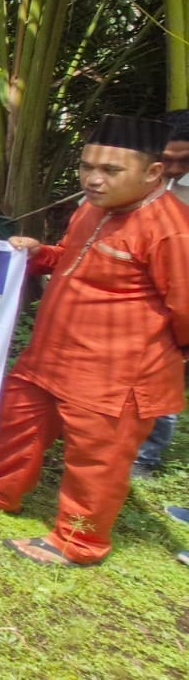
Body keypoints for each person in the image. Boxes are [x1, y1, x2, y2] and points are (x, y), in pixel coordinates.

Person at [0, 114, 189, 566]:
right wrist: (41, 254)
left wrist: (169, 354)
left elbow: (186, 308)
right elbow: (74, 259)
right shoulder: (93, 207)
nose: (93, 180)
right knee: (18, 422)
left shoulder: (172, 228)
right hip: (50, 354)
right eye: (86, 167)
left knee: (98, 459)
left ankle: (79, 543)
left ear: (153, 172)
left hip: (115, 372)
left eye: (110, 171)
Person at [133, 112, 189, 478]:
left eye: (182, 160)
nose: (171, 167)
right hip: (138, 297)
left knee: (165, 376)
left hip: (180, 296)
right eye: (165, 158)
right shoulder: (135, 178)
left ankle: (145, 458)